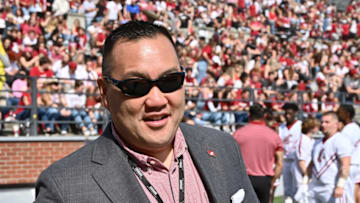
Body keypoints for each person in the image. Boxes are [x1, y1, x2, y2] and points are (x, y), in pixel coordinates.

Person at [35, 21, 259, 203]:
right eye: (136, 86)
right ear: (104, 93)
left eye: (170, 81)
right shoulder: (63, 188)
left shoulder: (223, 147)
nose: (156, 100)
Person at [233, 103, 283, 203]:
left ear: (249, 115)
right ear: (264, 116)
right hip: (264, 180)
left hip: (244, 179)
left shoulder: (238, 134)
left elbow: (230, 159)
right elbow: (280, 164)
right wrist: (272, 182)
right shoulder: (273, 135)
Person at [308, 111, 353, 203]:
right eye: (322, 122)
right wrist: (304, 182)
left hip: (332, 186)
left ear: (336, 124)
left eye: (327, 122)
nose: (323, 124)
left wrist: (340, 185)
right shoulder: (317, 142)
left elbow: (345, 165)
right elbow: (312, 164)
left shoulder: (341, 140)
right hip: (316, 186)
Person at [278, 102, 302, 201]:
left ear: (295, 113)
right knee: (287, 188)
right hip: (285, 160)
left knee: (299, 187)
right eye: (286, 113)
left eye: (290, 113)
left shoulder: (300, 125)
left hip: (297, 160)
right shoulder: (281, 127)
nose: (288, 116)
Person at [292, 117, 320, 202]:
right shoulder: (302, 140)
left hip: (309, 175)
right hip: (302, 175)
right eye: (316, 126)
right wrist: (307, 175)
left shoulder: (312, 140)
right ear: (311, 127)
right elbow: (301, 161)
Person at [338, 104, 360, 203]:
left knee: (346, 195)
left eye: (340, 112)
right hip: (357, 164)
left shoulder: (346, 131)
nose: (338, 114)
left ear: (347, 114)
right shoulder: (356, 127)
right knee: (356, 191)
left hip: (350, 165)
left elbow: (344, 150)